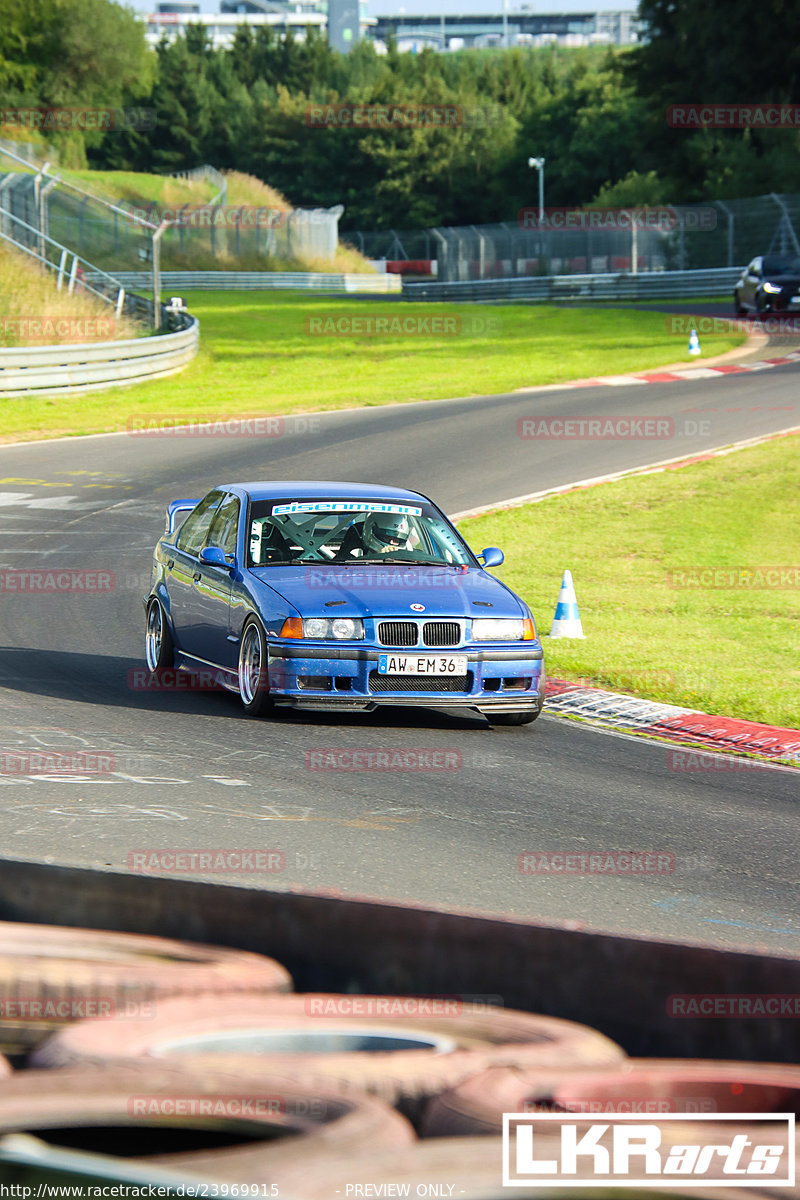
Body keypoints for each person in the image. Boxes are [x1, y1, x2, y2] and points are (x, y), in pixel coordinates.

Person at [338, 512, 419, 558]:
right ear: (369, 532)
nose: (392, 543)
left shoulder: (416, 564)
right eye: (386, 537)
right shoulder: (348, 565)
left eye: (397, 539)